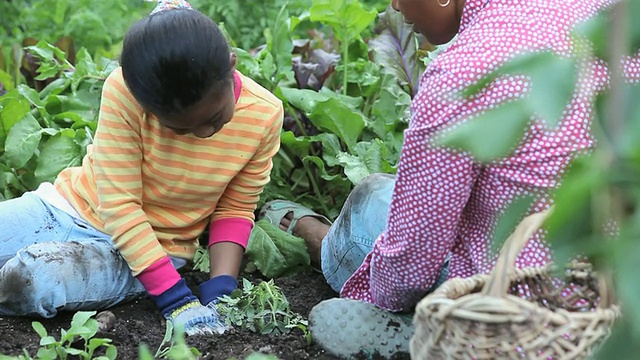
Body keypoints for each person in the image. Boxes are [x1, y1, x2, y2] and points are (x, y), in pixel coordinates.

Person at [259, 0, 615, 357]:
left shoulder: (460, 73)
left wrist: (384, 289)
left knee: (371, 202)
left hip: (515, 307)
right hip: (618, 286)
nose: (395, 6)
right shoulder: (611, 16)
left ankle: (328, 247)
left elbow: (406, 272)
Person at [0, 0, 283, 336]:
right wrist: (176, 299)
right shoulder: (123, 90)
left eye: (214, 118)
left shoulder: (264, 114)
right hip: (64, 209)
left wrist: (222, 286)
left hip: (149, 255)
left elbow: (234, 209)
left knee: (33, 280)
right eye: (180, 129)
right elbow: (120, 205)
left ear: (232, 66)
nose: (205, 133)